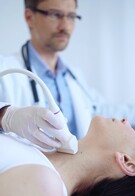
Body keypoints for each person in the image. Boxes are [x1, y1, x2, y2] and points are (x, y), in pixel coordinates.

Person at [1, 0, 135, 146]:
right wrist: (6, 116)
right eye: (55, 14)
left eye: (71, 16)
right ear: (29, 17)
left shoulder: (73, 75)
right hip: (29, 168)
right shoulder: (5, 69)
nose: (65, 26)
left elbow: (99, 109)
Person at [1, 115, 135, 196]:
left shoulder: (46, 188)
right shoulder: (35, 142)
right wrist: (5, 115)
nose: (125, 120)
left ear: (128, 163)